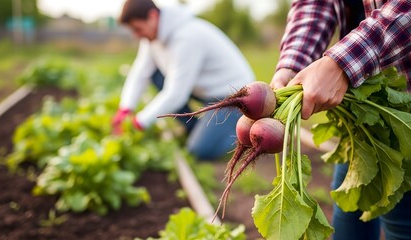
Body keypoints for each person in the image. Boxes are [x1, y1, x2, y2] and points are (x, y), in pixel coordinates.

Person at [270, 0, 411, 239]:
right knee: (348, 219)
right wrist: (292, 66)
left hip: (401, 100)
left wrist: (341, 64)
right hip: (363, 113)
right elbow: (315, 4)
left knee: (401, 225)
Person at [112, 0, 255, 160]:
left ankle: (241, 131)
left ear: (152, 16)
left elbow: (176, 94)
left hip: (233, 96)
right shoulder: (151, 38)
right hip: (207, 93)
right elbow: (140, 72)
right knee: (156, 75)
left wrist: (140, 123)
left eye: (137, 29)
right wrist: (125, 108)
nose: (136, 36)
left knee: (198, 151)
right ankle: (198, 129)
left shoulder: (187, 36)